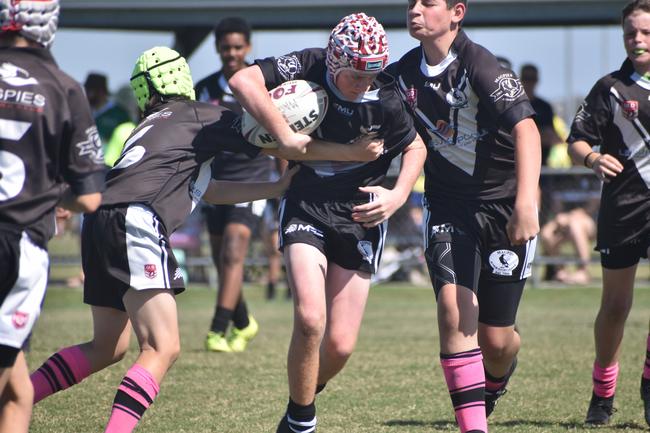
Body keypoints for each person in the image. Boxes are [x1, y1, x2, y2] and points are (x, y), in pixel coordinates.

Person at [29, 45, 383, 433]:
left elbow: (207, 189)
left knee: (106, 347)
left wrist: (276, 187)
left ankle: (17, 397)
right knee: (162, 347)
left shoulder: (148, 126)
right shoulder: (199, 114)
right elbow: (269, 135)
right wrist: (349, 152)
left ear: (145, 90)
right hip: (136, 220)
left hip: (99, 224)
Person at [229, 12, 427, 432]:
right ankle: (303, 422)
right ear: (335, 60)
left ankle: (298, 400)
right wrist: (284, 135)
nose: (365, 82)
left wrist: (398, 195)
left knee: (339, 345)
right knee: (310, 318)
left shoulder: (386, 99)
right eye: (357, 74)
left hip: (360, 217)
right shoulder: (310, 64)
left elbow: (416, 149)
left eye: (373, 72)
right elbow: (243, 82)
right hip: (307, 205)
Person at [391, 1, 541, 432]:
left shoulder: (480, 64)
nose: (415, 9)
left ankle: (496, 377)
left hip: (503, 209)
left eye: (428, 2)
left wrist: (525, 204)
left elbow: (527, 129)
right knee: (455, 312)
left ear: (457, 12)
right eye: (411, 3)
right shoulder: (402, 74)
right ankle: (473, 426)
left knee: (497, 341)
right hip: (447, 207)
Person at [0, 1, 105, 431]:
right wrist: (55, 194)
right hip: (18, 244)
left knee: (17, 387)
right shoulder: (63, 87)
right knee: (9, 380)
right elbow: (91, 197)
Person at [567, 0, 650, 426]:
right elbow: (576, 140)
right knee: (616, 306)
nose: (637, 40)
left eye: (646, 33)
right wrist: (592, 159)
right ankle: (603, 392)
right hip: (624, 208)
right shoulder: (611, 88)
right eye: (630, 33)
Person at [194, 17, 274, 352]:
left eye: (238, 47)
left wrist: (286, 181)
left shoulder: (260, 85)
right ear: (217, 48)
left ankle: (218, 330)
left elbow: (279, 132)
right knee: (220, 258)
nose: (231, 53)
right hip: (214, 183)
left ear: (248, 48)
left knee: (232, 252)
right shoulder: (204, 88)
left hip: (253, 181)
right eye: (226, 47)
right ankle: (244, 321)